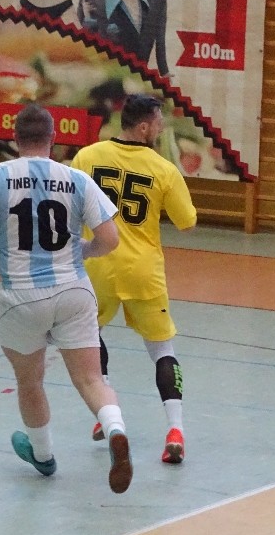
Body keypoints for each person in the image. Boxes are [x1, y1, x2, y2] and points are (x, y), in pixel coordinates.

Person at [0, 103, 133, 493]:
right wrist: (83, 250)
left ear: (15, 139)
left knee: (30, 380)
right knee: (90, 379)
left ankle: (43, 454)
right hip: (73, 291)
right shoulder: (76, 179)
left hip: (22, 297)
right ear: (53, 139)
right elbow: (109, 240)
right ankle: (115, 428)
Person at [71, 94, 196, 463]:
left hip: (98, 264)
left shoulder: (87, 157)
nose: (162, 127)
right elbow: (187, 222)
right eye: (158, 122)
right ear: (143, 127)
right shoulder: (163, 169)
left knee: (90, 335)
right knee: (162, 350)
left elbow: (70, 209)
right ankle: (175, 430)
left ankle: (105, 412)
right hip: (143, 271)